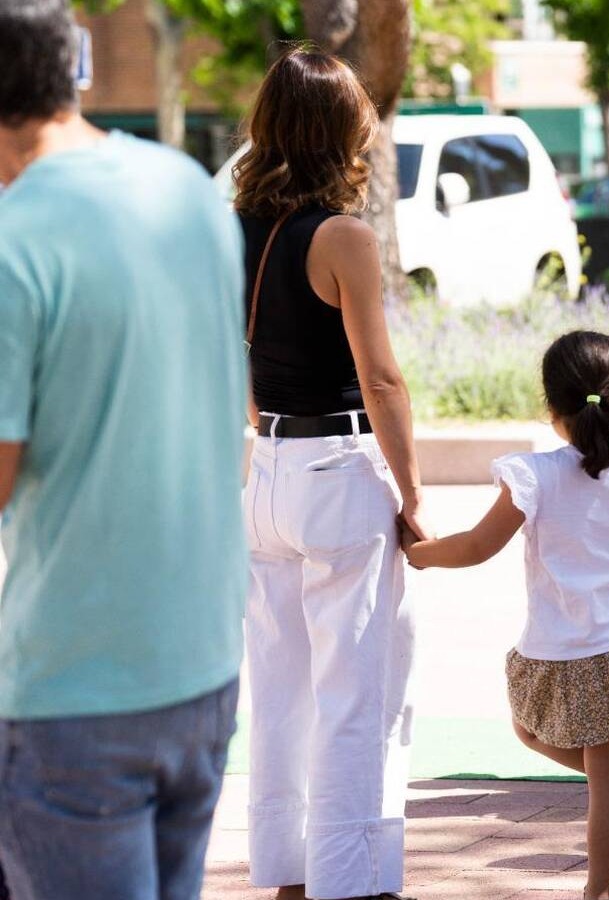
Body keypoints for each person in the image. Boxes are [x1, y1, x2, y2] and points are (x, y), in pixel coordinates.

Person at [0, 1, 247, 897]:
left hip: (75, 688)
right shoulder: (184, 188)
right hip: (203, 665)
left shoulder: (14, 241)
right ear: (78, 75)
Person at [401, 330, 609, 900]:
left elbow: (477, 546)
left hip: (560, 644)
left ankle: (599, 891)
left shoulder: (535, 475)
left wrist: (418, 554)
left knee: (563, 751)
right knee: (543, 737)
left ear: (551, 404)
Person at [233, 49, 426, 900]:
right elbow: (381, 378)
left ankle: (286, 870)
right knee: (359, 689)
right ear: (340, 130)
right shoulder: (343, 236)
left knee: (279, 693)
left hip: (269, 470)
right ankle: (348, 879)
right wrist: (413, 494)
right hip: (336, 467)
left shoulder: (229, 227)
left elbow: (230, 354)